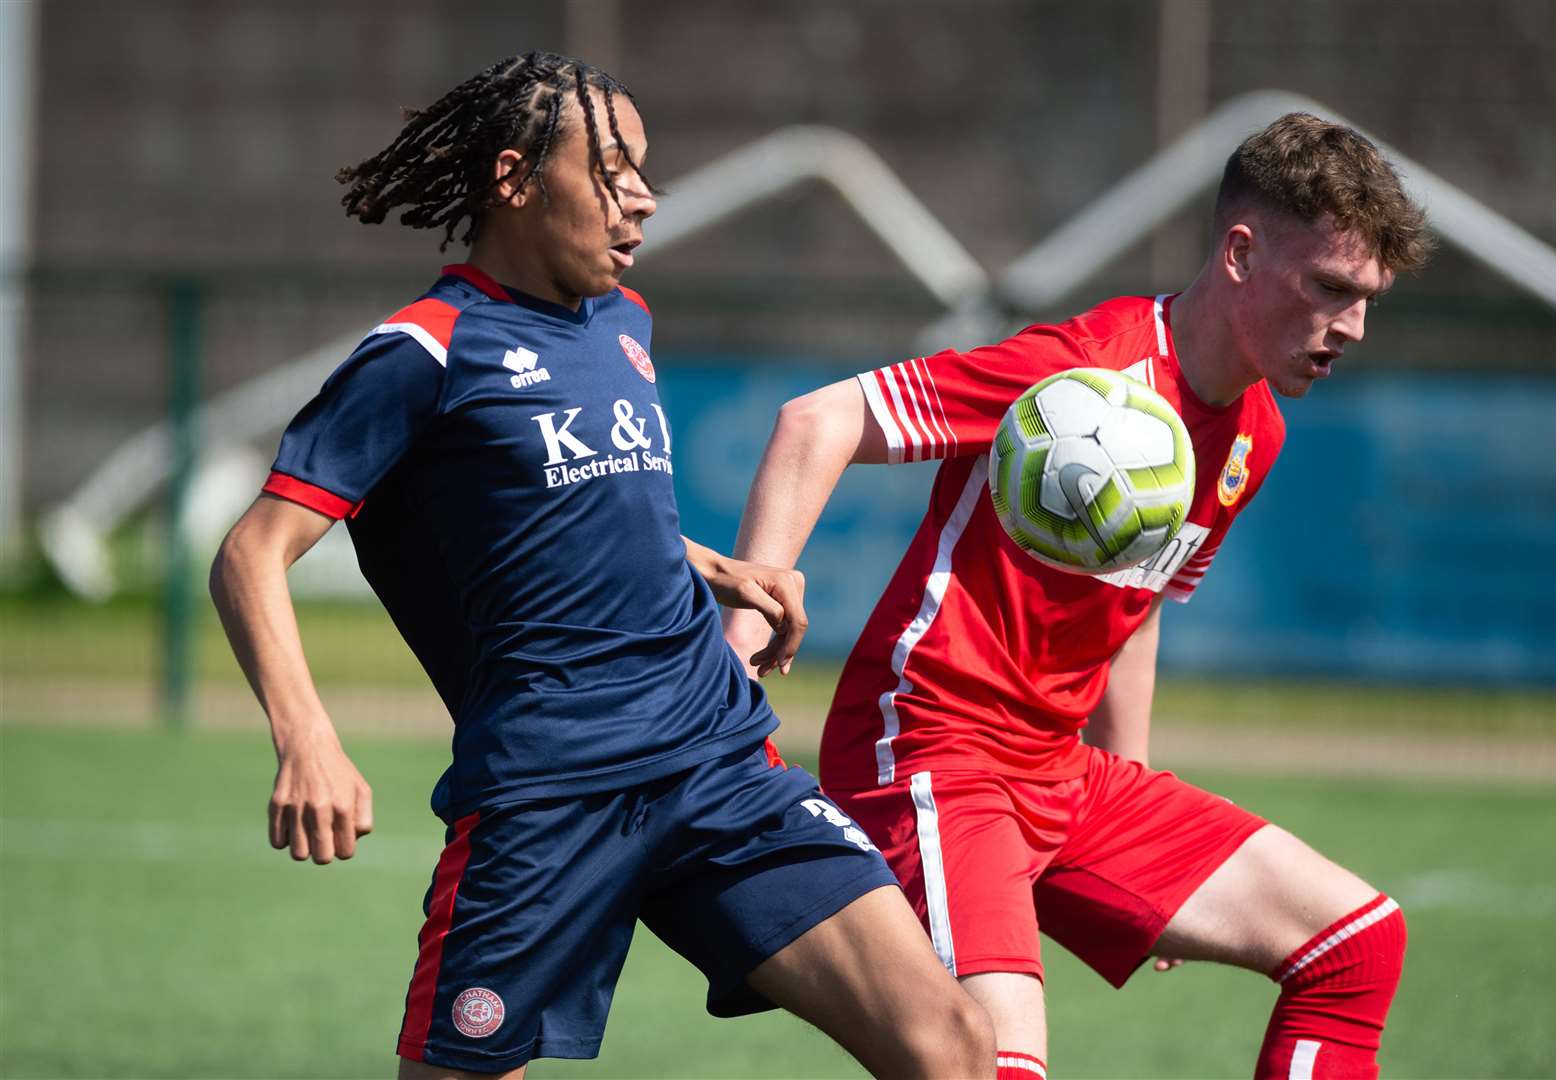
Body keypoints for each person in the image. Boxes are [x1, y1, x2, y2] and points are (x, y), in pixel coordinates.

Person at [210, 51, 994, 1079]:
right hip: (550, 796)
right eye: (611, 171)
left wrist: (715, 565)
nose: (641, 202)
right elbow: (251, 552)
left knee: (951, 1043)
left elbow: (569, 504)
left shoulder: (624, 324)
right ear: (515, 181)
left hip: (717, 761)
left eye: (644, 172)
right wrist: (306, 738)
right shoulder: (423, 352)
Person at [725, 112, 1434, 1080]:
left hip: (1058, 775)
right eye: (1330, 289)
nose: (1350, 327)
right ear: (1239, 252)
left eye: (1368, 301)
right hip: (930, 753)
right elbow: (819, 419)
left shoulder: (1254, 429)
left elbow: (1131, 612)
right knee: (993, 1066)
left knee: (1355, 942)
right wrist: (740, 644)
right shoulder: (1080, 374)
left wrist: (1136, 828)